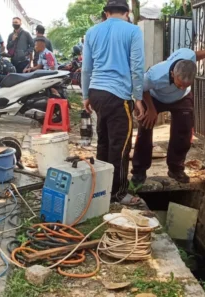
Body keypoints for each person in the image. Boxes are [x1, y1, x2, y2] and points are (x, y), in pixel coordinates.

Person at [82, 0, 145, 206]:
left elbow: (86, 68)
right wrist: (138, 97)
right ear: (127, 13)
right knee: (120, 145)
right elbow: (137, 67)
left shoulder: (92, 32)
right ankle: (117, 194)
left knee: (104, 141)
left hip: (97, 92)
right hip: (118, 94)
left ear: (106, 13)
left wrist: (85, 95)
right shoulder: (133, 31)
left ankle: (101, 188)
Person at [131, 42, 205, 186]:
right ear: (172, 74)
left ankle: (176, 168)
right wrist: (150, 109)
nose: (181, 87)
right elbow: (142, 88)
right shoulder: (155, 75)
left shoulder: (188, 57)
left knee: (184, 130)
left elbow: (196, 55)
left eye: (186, 85)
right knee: (145, 127)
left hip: (181, 99)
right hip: (154, 97)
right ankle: (139, 171)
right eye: (179, 83)